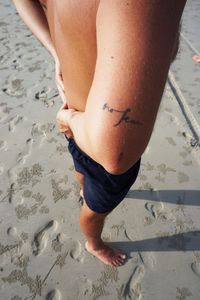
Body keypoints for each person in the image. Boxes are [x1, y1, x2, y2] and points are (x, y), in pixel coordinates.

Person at [13, 0, 186, 267]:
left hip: (74, 121)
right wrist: (70, 118)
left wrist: (56, 50)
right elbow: (114, 152)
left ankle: (84, 188)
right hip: (86, 132)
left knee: (81, 166)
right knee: (95, 209)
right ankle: (94, 243)